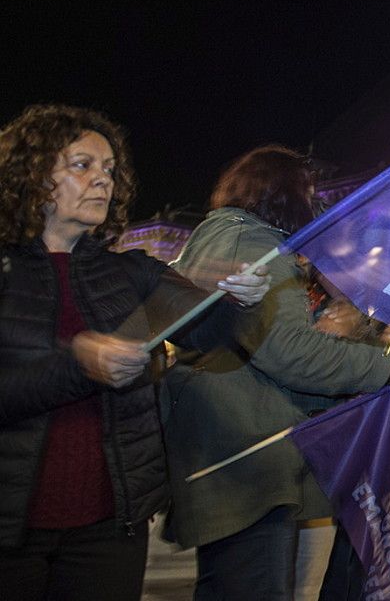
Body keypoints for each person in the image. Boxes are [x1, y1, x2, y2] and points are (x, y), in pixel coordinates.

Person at [0, 104, 271, 601]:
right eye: (83, 165)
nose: (102, 180)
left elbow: (211, 331)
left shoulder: (132, 273)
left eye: (109, 170)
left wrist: (243, 300)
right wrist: (78, 365)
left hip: (109, 529)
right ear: (33, 174)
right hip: (11, 533)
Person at [161, 145, 390, 601]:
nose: (315, 208)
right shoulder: (252, 243)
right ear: (283, 193)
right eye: (309, 194)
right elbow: (286, 351)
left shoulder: (235, 236)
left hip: (244, 455)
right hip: (246, 459)